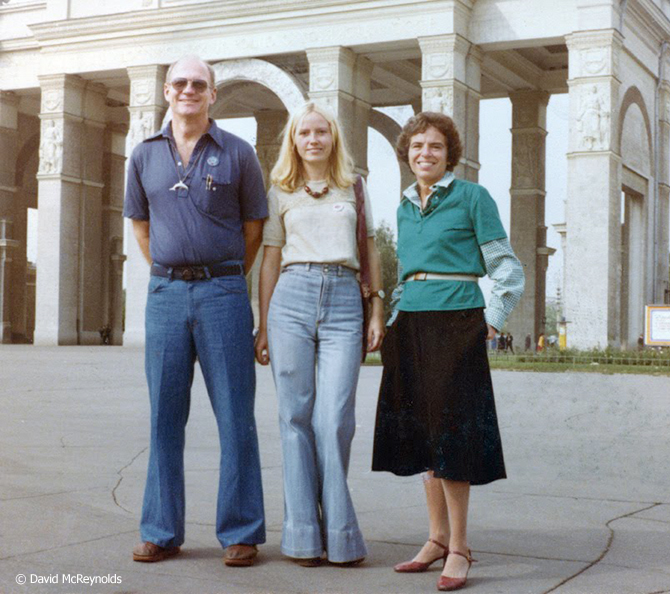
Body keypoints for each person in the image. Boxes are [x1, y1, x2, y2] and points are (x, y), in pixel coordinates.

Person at [372, 112, 524, 591]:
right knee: (423, 435)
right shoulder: (402, 206)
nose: (425, 154)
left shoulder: (473, 197)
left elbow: (506, 267)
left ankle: (459, 547)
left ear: (449, 153)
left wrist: (492, 320)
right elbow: (405, 274)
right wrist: (392, 320)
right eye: (417, 147)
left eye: (435, 146)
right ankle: (435, 538)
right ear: (406, 154)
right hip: (410, 324)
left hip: (457, 322)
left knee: (452, 435)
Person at [124, 55, 266, 567]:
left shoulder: (238, 153)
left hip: (223, 294)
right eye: (180, 82)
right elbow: (141, 226)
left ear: (212, 95)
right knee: (164, 417)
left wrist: (222, 275)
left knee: (235, 416)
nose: (189, 90)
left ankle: (241, 531)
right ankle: (160, 530)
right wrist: (174, 268)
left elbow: (254, 228)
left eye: (198, 84)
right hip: (165, 297)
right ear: (166, 92)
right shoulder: (143, 156)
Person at [255, 102, 385, 567]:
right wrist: (263, 322)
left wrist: (377, 307)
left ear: (333, 138)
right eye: (304, 132)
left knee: (334, 420)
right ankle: (304, 536)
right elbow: (270, 259)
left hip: (345, 302)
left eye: (321, 132)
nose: (313, 139)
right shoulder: (280, 191)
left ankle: (340, 532)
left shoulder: (355, 188)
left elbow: (369, 248)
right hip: (291, 296)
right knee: (294, 418)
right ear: (293, 140)